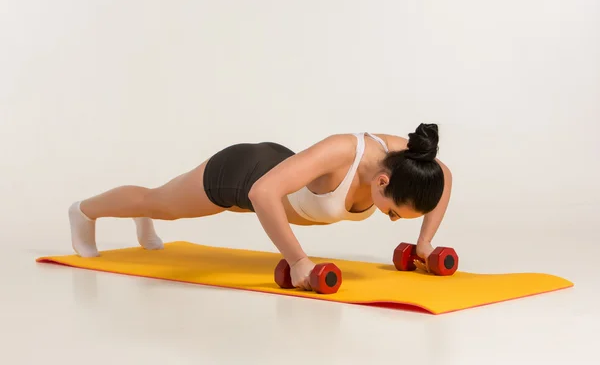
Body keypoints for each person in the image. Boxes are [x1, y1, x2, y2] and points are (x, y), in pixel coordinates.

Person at [68, 123, 452, 290]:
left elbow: (444, 175)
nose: (390, 220)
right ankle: (84, 211)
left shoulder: (410, 160)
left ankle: (144, 217)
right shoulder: (343, 151)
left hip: (284, 176)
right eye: (392, 213)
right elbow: (262, 193)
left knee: (164, 202)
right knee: (161, 202)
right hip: (245, 174)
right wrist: (299, 260)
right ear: (381, 182)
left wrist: (425, 243)